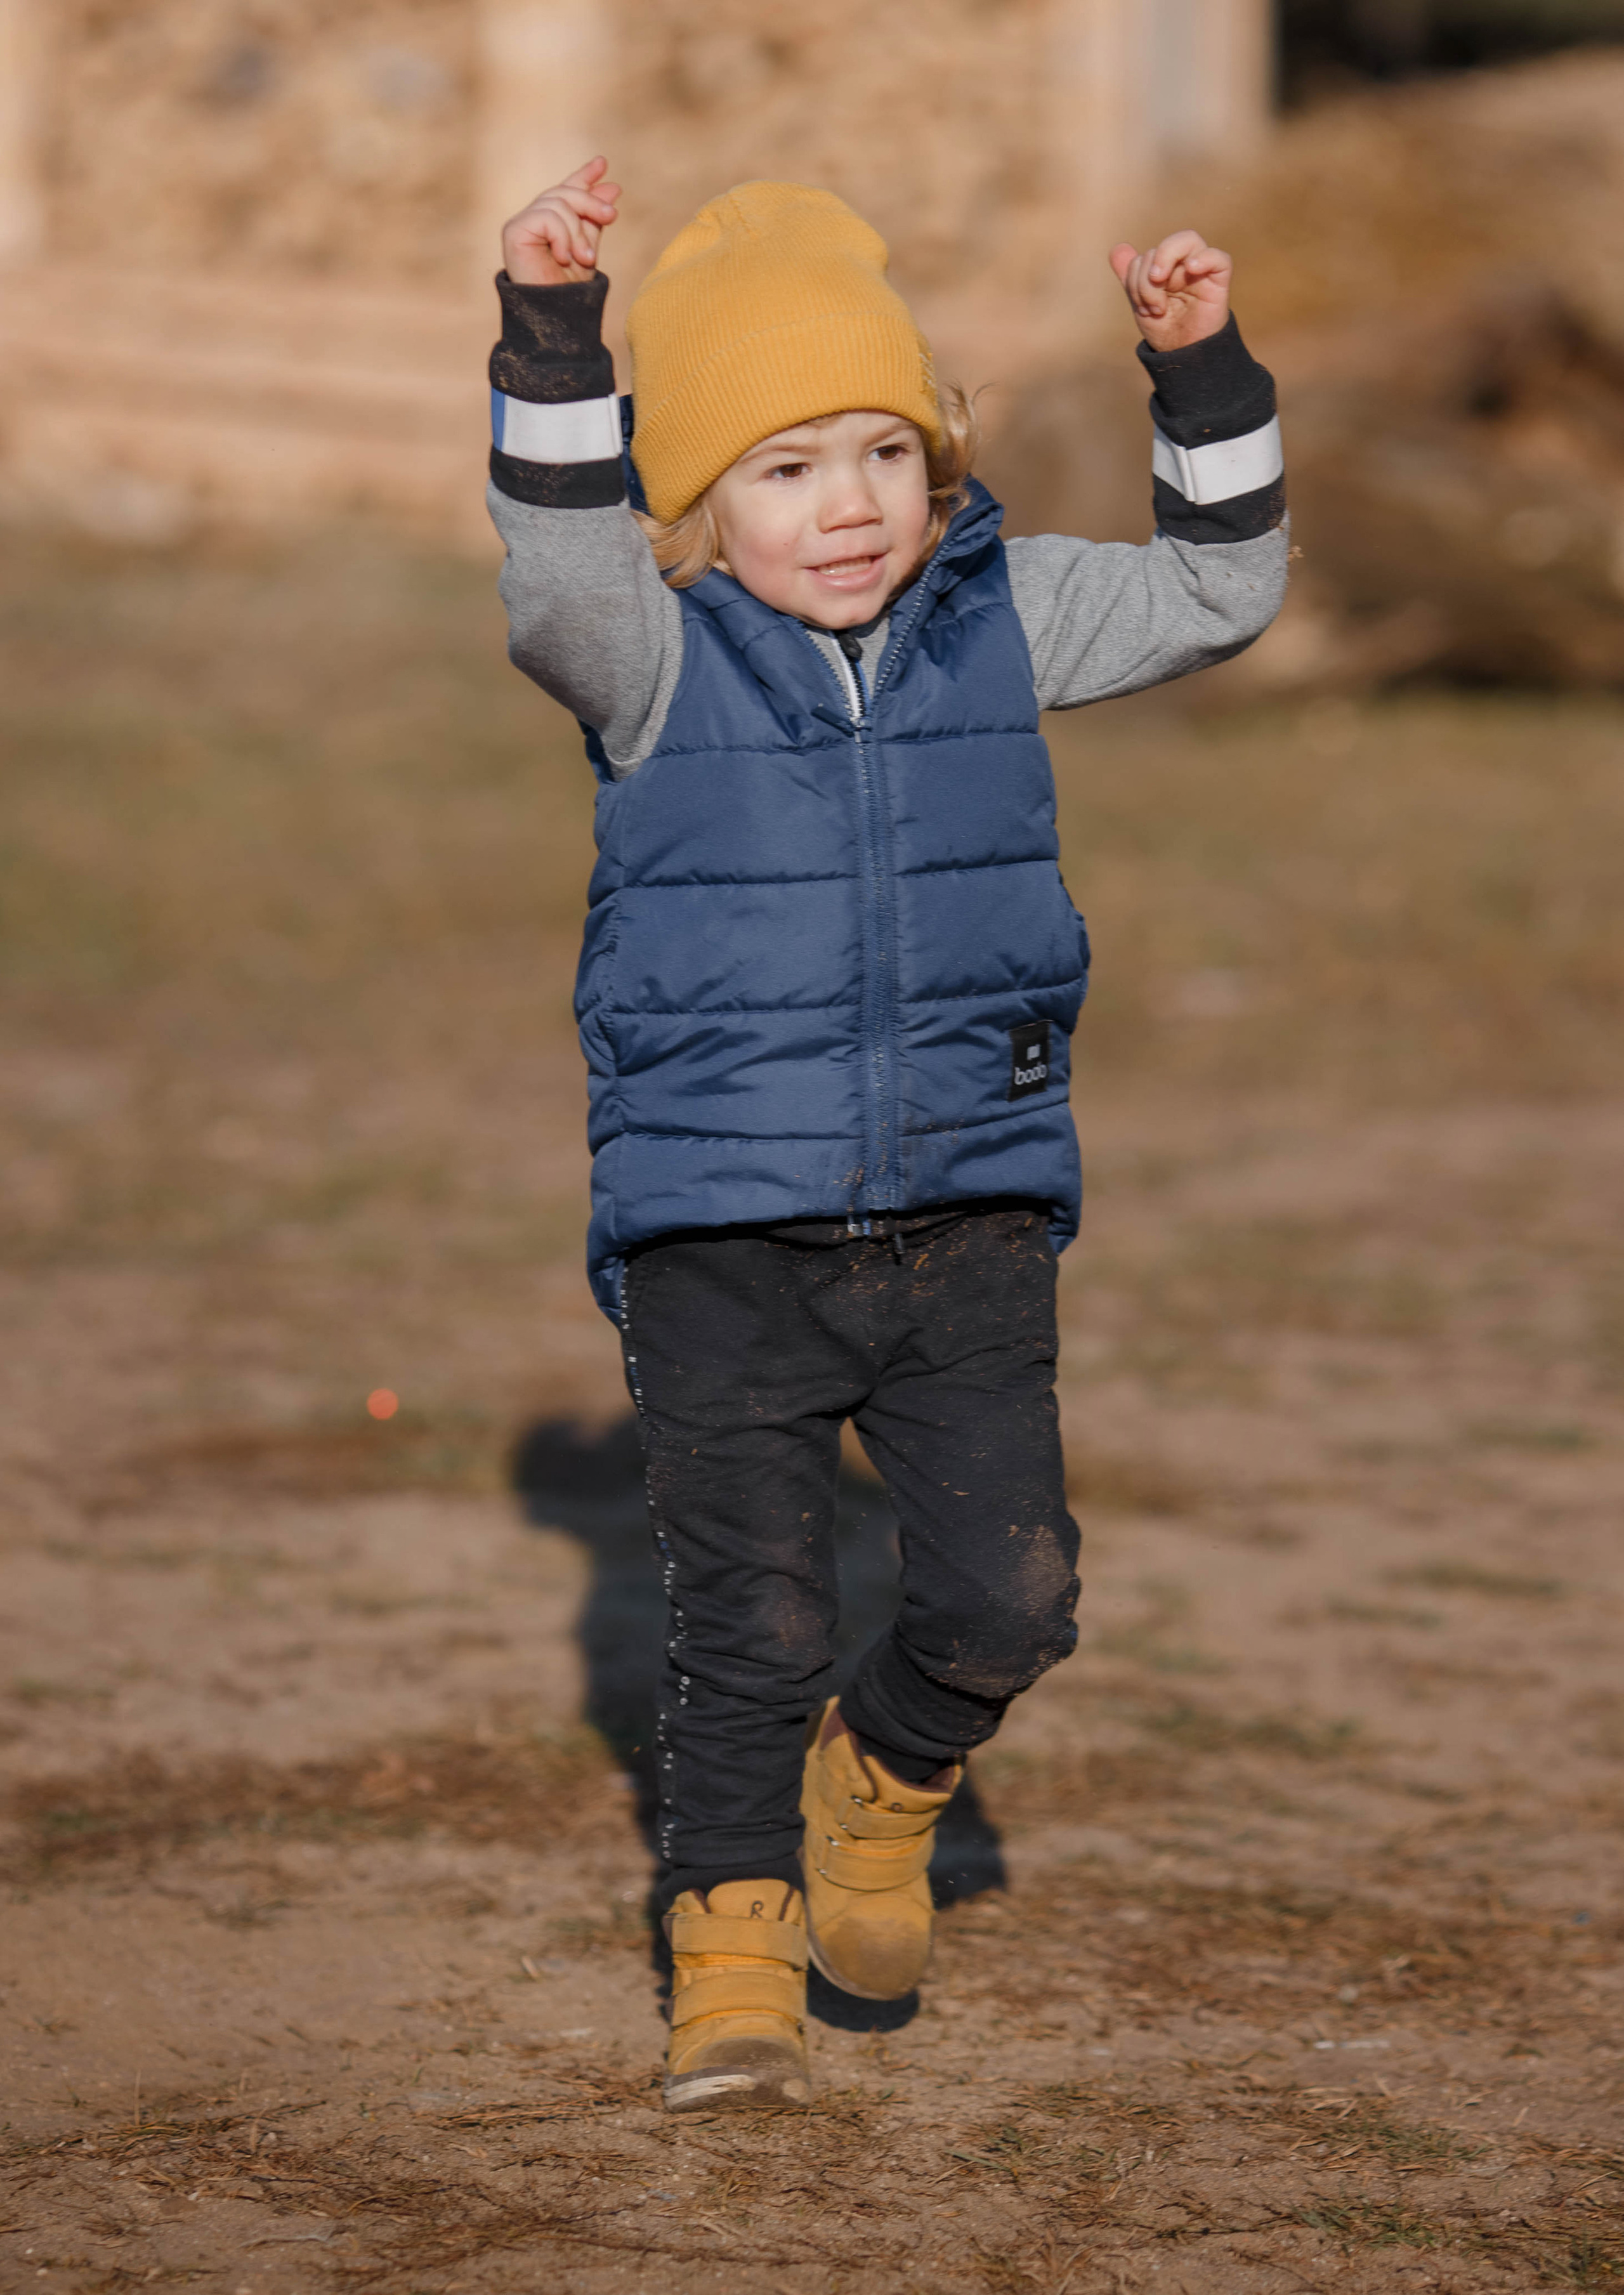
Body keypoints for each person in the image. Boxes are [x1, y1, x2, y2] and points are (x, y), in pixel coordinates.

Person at [487, 157, 1287, 2112]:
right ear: (694, 505)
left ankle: (890, 1777)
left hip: (972, 1213)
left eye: (880, 451)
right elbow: (555, 553)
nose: (845, 504)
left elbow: (1222, 583)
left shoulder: (998, 610)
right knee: (749, 1612)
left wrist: (1200, 373)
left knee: (1014, 1591)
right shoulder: (651, 654)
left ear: (939, 461)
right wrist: (555, 334)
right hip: (724, 1236)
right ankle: (732, 1937)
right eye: (780, 467)